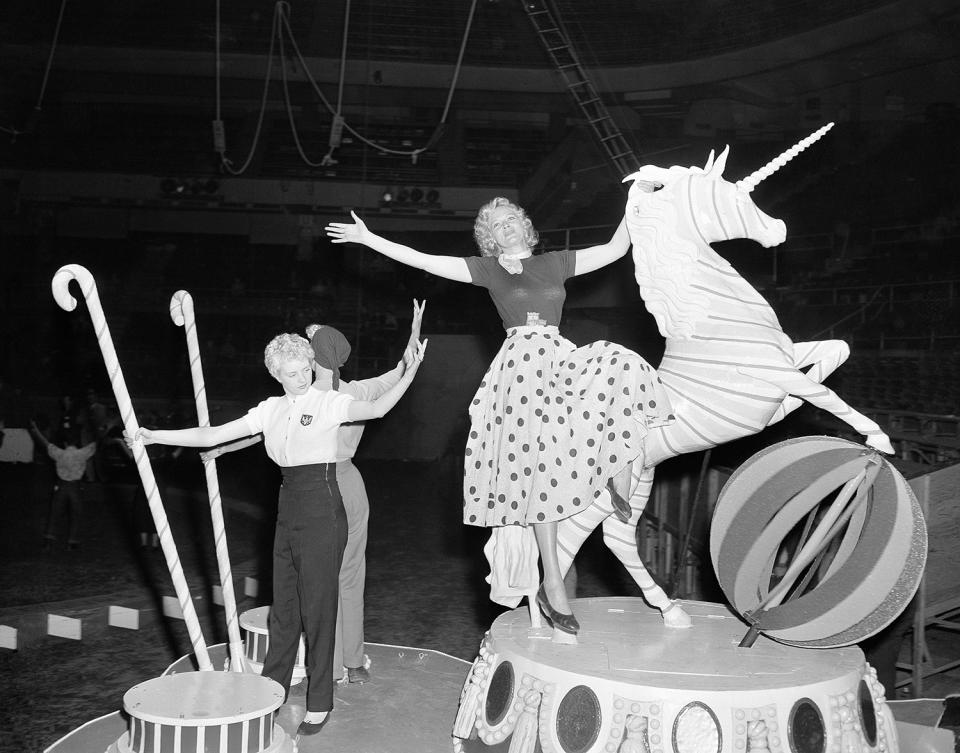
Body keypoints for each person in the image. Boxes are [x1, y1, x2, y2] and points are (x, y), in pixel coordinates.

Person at [326, 198, 671, 636]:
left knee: (621, 363)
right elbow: (425, 261)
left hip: (558, 358)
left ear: (525, 227)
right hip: (520, 371)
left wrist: (638, 195)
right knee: (537, 475)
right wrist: (369, 238)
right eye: (495, 225)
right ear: (490, 238)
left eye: (511, 221)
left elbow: (618, 246)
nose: (505, 228)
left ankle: (619, 467)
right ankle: (551, 583)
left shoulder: (555, 262)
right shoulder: (488, 270)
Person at [126, 330, 426, 736]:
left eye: (305, 369)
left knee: (318, 608)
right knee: (283, 607)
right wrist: (153, 435)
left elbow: (375, 409)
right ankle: (273, 688)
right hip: (288, 504)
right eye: (292, 372)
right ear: (276, 374)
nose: (301, 378)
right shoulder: (270, 409)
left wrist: (410, 374)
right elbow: (214, 434)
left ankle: (320, 701)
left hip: (323, 503)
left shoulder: (328, 401)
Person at [205, 302, 426, 685]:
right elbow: (402, 369)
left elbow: (268, 429)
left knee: (321, 583)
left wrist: (224, 447)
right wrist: (412, 334)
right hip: (353, 485)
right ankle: (353, 663)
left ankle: (332, 666)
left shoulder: (306, 395)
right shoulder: (356, 389)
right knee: (351, 576)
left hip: (319, 488)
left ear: (313, 357)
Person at [29, 421, 97, 551]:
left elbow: (45, 442)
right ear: (77, 441)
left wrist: (36, 429)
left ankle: (48, 540)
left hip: (61, 485)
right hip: (75, 487)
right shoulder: (82, 453)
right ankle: (72, 542)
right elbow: (95, 444)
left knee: (54, 513)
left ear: (65, 442)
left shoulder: (59, 453)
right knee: (76, 513)